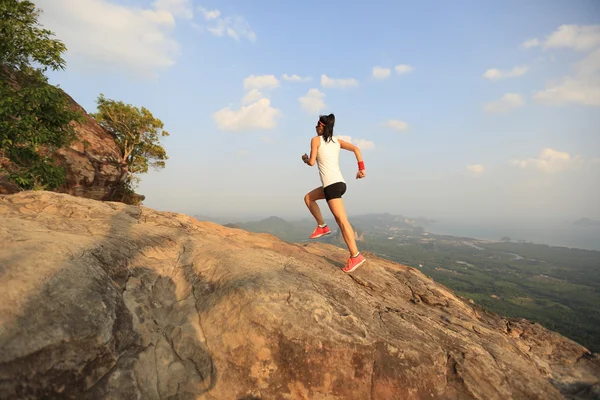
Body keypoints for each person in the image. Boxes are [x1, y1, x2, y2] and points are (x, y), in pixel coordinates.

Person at [301, 113, 367, 273]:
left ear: (321, 126)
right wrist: (361, 168)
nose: (315, 127)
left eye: (317, 125)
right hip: (339, 183)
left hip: (331, 186)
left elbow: (311, 162)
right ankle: (322, 226)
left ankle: (355, 255)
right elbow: (356, 149)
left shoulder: (315, 140)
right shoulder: (337, 141)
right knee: (309, 198)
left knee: (342, 222)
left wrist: (305, 158)